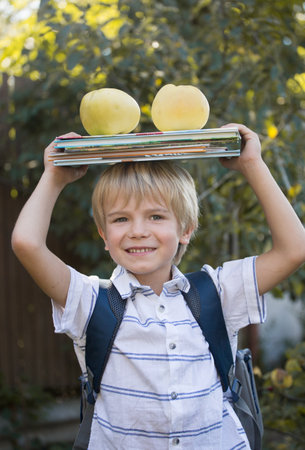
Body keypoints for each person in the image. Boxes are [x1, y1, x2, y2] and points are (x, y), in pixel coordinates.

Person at [11, 124, 305, 449]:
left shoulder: (218, 294)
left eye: (155, 216)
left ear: (186, 229)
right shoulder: (89, 301)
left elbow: (294, 249)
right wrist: (54, 177)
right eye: (121, 219)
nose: (138, 231)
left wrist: (253, 165)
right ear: (103, 235)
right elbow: (27, 243)